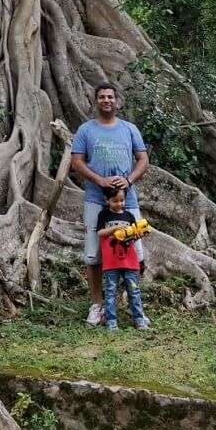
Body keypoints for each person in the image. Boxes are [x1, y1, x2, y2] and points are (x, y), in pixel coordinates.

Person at [71, 82, 150, 327]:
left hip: (128, 201)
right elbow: (77, 161)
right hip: (96, 200)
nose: (106, 100)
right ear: (96, 101)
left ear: (117, 101)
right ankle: (97, 305)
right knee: (93, 255)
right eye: (102, 97)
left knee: (137, 255)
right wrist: (100, 180)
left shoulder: (129, 129)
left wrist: (127, 180)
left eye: (110, 97)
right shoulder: (86, 130)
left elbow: (143, 159)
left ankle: (128, 299)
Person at [97, 187, 150, 331]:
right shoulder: (104, 215)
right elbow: (100, 233)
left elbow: (132, 237)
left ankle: (139, 319)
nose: (119, 203)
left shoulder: (129, 216)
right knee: (110, 291)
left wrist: (137, 235)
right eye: (115, 201)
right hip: (111, 261)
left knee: (134, 290)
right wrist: (115, 229)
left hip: (130, 261)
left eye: (122, 200)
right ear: (107, 200)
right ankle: (111, 321)